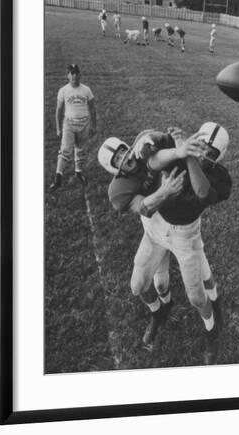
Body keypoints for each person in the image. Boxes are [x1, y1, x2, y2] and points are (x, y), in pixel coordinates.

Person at [98, 124, 232, 363]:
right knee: (138, 285)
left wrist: (185, 154)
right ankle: (159, 312)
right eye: (200, 146)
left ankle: (211, 331)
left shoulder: (220, 178)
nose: (202, 154)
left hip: (185, 233)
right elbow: (153, 164)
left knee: (197, 297)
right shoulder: (121, 188)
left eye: (209, 153)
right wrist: (167, 180)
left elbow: (199, 190)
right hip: (155, 228)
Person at [50, 64, 97, 189]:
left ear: (80, 74)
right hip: (69, 124)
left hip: (84, 124)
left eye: (76, 73)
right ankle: (58, 178)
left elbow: (92, 109)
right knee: (65, 149)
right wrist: (58, 128)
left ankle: (78, 172)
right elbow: (59, 110)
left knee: (80, 149)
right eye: (72, 73)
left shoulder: (86, 90)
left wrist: (93, 126)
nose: (74, 76)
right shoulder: (63, 90)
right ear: (68, 76)